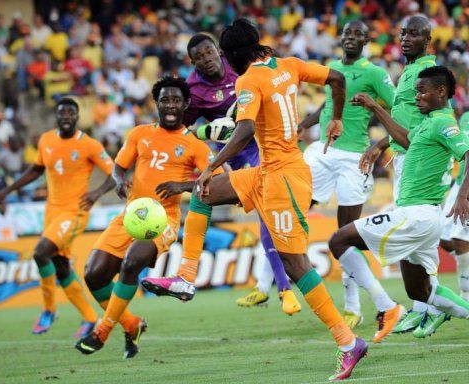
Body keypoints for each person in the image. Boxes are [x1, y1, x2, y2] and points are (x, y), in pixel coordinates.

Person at [151, 19, 365, 381]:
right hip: (266, 171)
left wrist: (212, 164)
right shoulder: (289, 65)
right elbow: (337, 80)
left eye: (225, 56)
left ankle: (348, 344)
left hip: (284, 178)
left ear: (235, 55)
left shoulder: (247, 79)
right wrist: (336, 119)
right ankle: (186, 276)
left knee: (295, 265)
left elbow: (245, 128)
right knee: (204, 191)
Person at [141, 33, 300, 315]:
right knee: (205, 194)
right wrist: (201, 134)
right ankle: (188, 276)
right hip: (230, 157)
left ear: (219, 52)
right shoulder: (192, 88)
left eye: (209, 52)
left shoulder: (241, 67)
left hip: (260, 147)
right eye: (199, 57)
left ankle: (283, 289)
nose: (206, 59)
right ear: (192, 63)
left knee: (267, 213)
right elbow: (182, 129)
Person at [75, 76, 222, 358]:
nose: (170, 105)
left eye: (176, 100)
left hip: (163, 219)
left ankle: (102, 331)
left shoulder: (195, 145)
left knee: (131, 262)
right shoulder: (139, 133)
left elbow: (217, 181)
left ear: (186, 104)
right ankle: (132, 325)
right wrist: (119, 181)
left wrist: (183, 186)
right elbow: (118, 167)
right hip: (131, 214)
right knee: (94, 274)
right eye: (165, 99)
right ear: (156, 103)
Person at [331, 66, 469, 346]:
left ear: (441, 92)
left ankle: (385, 306)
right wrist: (375, 107)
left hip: (416, 215)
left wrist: (462, 195)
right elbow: (404, 138)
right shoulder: (428, 123)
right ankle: (440, 308)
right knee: (420, 291)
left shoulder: (445, 123)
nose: (416, 97)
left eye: (421, 91)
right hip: (422, 217)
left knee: (339, 240)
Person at [298, 20, 396, 329]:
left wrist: (381, 144)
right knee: (294, 205)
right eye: (347, 33)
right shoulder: (331, 67)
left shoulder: (375, 74)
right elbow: (329, 105)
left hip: (355, 156)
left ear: (367, 40)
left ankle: (353, 306)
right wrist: (306, 123)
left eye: (358, 33)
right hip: (325, 152)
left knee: (345, 233)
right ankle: (273, 281)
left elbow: (401, 112)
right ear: (341, 38)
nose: (351, 37)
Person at [0, 97, 114, 338]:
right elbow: (36, 169)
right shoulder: (47, 140)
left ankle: (48, 309)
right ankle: (90, 318)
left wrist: (97, 192)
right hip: (51, 212)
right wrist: (7, 190)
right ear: (56, 116)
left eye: (71, 112)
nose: (66, 116)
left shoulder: (88, 144)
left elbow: (115, 173)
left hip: (75, 212)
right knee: (59, 266)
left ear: (77, 117)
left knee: (40, 252)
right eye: (62, 112)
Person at [359, 15, 448, 337]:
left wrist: (381, 140)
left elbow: (414, 131)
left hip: (418, 160)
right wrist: (380, 145)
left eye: (415, 33)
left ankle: (434, 306)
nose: (406, 38)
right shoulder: (410, 71)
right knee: (414, 241)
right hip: (406, 156)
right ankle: (424, 307)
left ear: (428, 39)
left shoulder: (424, 74)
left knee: (414, 235)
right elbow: (404, 124)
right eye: (403, 32)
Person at [439, 110, 469, 304]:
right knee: (442, 237)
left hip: (466, 187)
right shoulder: (465, 117)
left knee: (459, 238)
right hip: (459, 183)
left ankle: (466, 295)